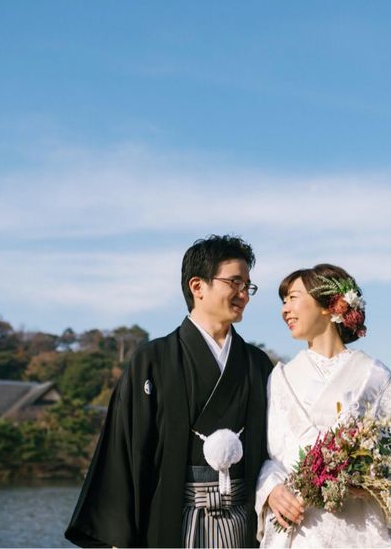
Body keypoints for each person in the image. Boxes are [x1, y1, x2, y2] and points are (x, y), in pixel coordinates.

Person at [65, 235, 274, 548]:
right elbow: (124, 451)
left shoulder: (257, 364)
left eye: (248, 286)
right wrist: (118, 537)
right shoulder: (152, 360)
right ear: (197, 286)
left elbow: (274, 447)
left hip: (243, 521)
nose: (244, 294)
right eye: (235, 282)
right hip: (172, 519)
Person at [255, 264, 391, 548]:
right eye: (283, 301)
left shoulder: (374, 376)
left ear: (330, 305)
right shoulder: (280, 377)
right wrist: (271, 489)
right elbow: (268, 454)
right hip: (300, 526)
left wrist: (372, 478)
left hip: (359, 527)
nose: (285, 310)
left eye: (293, 298)